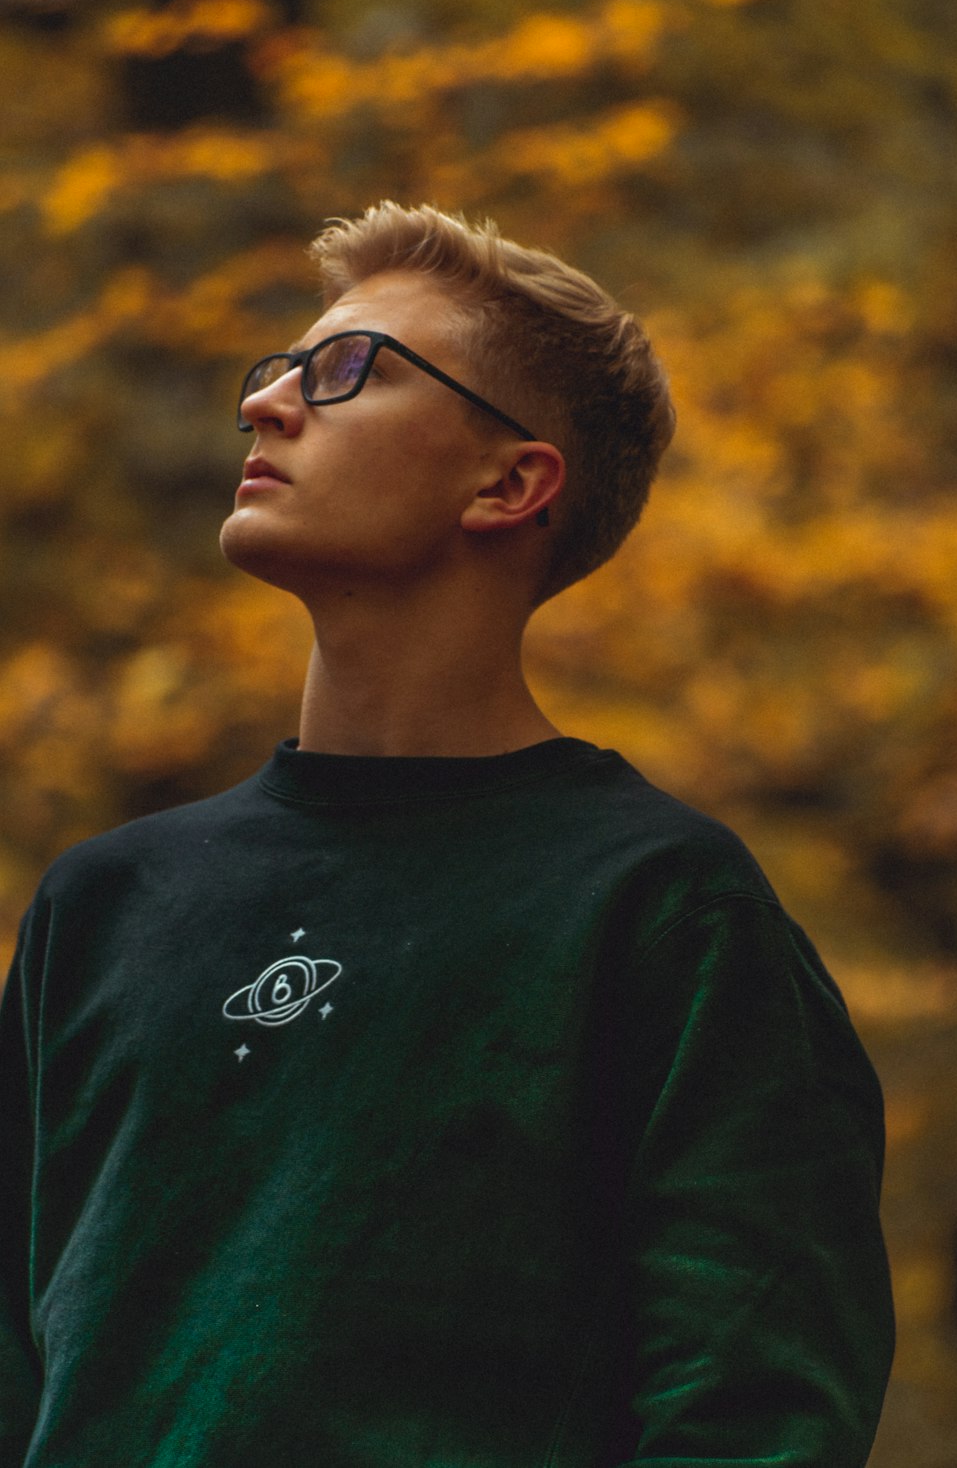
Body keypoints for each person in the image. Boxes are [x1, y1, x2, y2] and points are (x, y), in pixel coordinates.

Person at [0, 202, 893, 1466]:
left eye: (349, 371)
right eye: (276, 372)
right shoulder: (102, 905)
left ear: (510, 481)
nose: (267, 406)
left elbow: (756, 1414)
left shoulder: (665, 911)